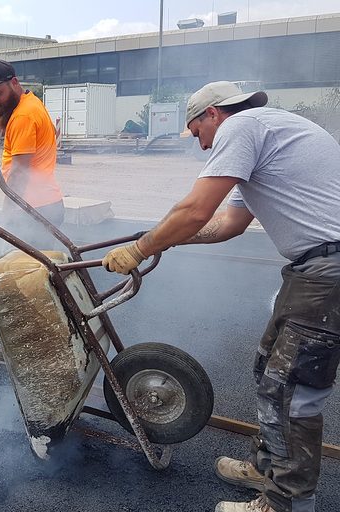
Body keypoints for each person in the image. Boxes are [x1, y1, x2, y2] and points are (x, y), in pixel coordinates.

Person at [102, 81, 340, 512]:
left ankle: (284, 502)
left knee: (291, 389)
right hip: (315, 269)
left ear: (213, 114)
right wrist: (164, 239)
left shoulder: (242, 127)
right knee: (270, 367)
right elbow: (227, 224)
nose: (199, 144)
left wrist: (142, 249)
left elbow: (196, 211)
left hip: (330, 270)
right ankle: (270, 469)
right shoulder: (268, 130)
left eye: (196, 133)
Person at [0, 59, 64, 247]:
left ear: (14, 83)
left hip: (32, 208)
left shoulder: (23, 116)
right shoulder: (31, 102)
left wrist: (7, 214)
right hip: (46, 203)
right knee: (43, 267)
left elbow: (19, 172)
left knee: (27, 270)